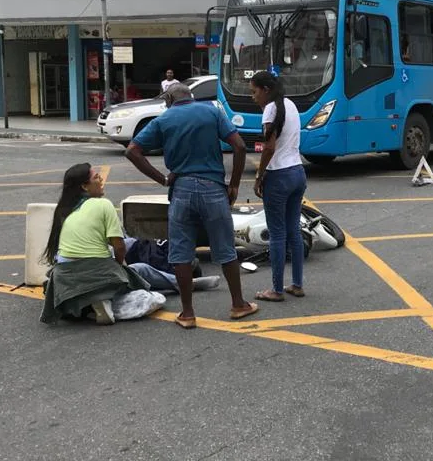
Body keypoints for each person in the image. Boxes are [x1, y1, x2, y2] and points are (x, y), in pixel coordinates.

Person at [125, 83, 256, 329]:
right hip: (213, 188)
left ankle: (187, 313)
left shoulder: (164, 119)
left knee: (181, 254)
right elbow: (238, 146)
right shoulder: (212, 112)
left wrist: (162, 179)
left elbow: (132, 151)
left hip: (181, 190)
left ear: (170, 100)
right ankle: (238, 304)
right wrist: (234, 185)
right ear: (190, 96)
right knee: (226, 249)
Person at [39, 163, 160, 325]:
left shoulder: (64, 209)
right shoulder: (103, 204)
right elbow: (119, 247)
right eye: (96, 177)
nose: (101, 179)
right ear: (84, 186)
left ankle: (90, 305)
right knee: (139, 271)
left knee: (130, 272)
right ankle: (184, 283)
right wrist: (119, 268)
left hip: (63, 277)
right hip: (96, 271)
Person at [250, 71, 307, 302]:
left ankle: (276, 289)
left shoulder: (270, 109)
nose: (253, 97)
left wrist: (259, 175)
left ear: (265, 89)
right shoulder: (290, 105)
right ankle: (297, 284)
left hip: (279, 176)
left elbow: (269, 147)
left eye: (254, 92)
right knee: (293, 230)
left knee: (277, 233)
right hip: (297, 173)